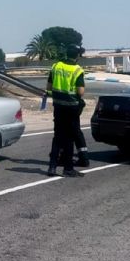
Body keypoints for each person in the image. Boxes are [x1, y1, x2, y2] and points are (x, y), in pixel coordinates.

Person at [46, 44, 86, 177]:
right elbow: (80, 92)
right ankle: (68, 168)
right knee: (69, 138)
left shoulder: (56, 66)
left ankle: (52, 167)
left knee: (57, 136)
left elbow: (49, 87)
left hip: (58, 106)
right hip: (71, 108)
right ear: (76, 56)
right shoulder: (77, 70)